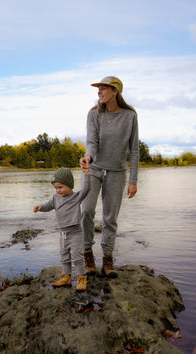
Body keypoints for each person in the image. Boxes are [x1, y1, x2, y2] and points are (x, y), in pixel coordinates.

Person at [80, 76, 139, 278]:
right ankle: (87, 253)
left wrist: (133, 180)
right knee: (86, 211)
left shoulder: (130, 116)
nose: (99, 91)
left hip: (117, 172)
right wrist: (88, 156)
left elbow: (134, 149)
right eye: (98, 88)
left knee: (110, 217)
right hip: (93, 169)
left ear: (115, 92)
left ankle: (107, 258)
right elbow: (91, 141)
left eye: (104, 88)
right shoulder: (93, 114)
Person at [33, 166, 90, 291]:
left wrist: (86, 174)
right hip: (63, 233)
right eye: (56, 188)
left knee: (77, 256)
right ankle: (66, 278)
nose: (58, 190)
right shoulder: (56, 198)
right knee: (64, 255)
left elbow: (87, 189)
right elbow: (49, 205)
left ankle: (81, 278)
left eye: (60, 187)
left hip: (75, 232)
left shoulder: (76, 197)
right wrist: (41, 207)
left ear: (70, 185)